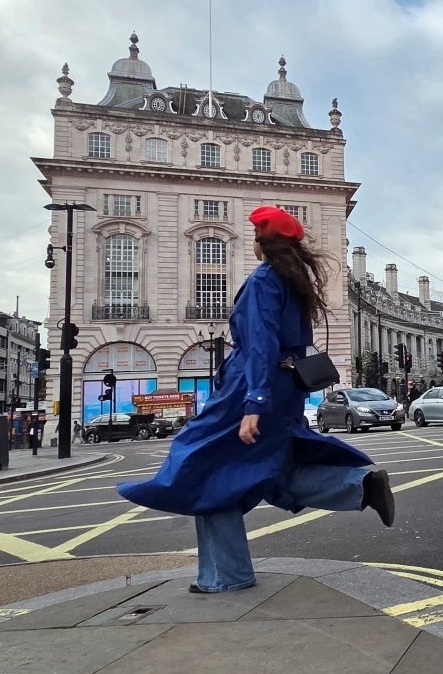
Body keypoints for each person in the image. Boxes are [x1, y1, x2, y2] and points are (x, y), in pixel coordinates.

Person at [118, 206, 394, 594]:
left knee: (201, 463)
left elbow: (261, 342)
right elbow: (293, 344)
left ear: (262, 243)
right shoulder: (292, 282)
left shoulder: (264, 279)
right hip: (286, 387)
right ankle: (359, 485)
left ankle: (227, 575)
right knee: (271, 467)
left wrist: (254, 403)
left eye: (254, 237)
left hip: (249, 387)